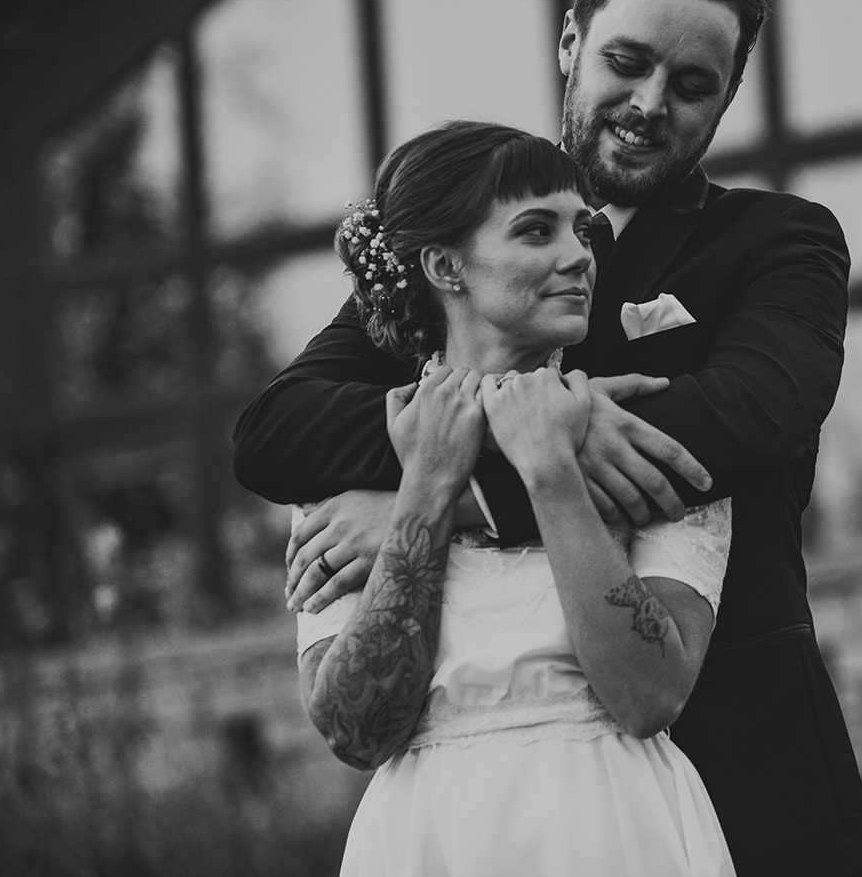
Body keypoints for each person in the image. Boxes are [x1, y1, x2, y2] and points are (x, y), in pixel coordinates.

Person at [235, 0, 862, 877]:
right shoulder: (466, 235)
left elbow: (750, 419)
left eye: (693, 83)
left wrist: (450, 497)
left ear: (727, 96)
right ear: (571, 43)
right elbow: (277, 435)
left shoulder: (779, 241)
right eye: (628, 61)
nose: (651, 104)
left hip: (747, 760)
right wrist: (456, 460)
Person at [299, 120, 735, 875]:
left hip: (616, 827)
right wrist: (427, 487)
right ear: (445, 265)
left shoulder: (648, 422)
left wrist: (553, 475)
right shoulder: (349, 460)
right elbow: (357, 732)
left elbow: (651, 696)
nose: (579, 257)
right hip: (429, 839)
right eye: (537, 231)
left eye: (582, 231)